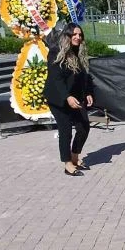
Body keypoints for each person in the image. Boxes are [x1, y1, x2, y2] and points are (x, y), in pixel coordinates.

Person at [43, 23, 94, 176]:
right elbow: (56, 79)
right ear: (67, 35)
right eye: (74, 34)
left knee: (84, 127)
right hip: (58, 97)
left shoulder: (79, 52)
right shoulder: (55, 52)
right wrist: (67, 97)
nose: (78, 37)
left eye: (80, 35)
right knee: (65, 130)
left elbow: (84, 76)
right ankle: (67, 164)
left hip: (75, 97)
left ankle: (75, 156)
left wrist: (88, 92)